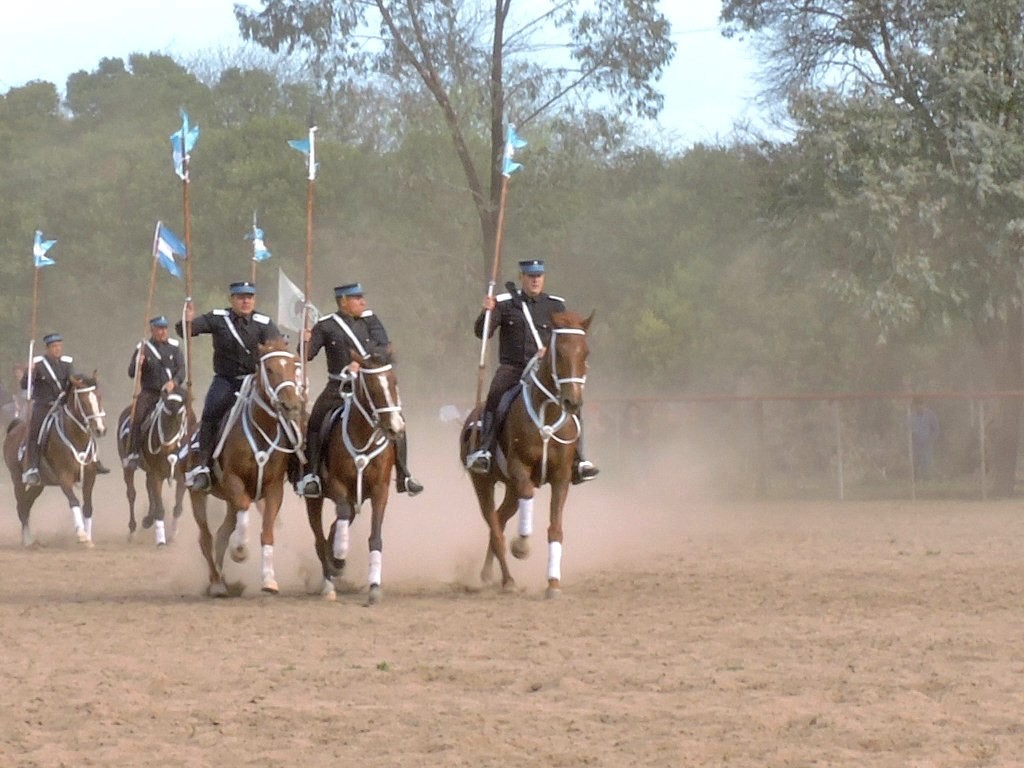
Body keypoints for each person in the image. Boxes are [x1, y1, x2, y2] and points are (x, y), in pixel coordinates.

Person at [465, 259, 599, 483]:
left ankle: (578, 459)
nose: (535, 280)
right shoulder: (505, 303)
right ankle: (486, 451)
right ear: (522, 278)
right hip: (513, 368)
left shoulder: (555, 305)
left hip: (545, 370)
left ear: (543, 278)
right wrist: (485, 312)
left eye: (538, 276)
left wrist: (549, 351)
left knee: (573, 402)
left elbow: (565, 340)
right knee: (496, 396)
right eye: (530, 276)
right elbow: (483, 332)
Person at [295, 282, 424, 498]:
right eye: (357, 298)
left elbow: (384, 347)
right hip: (340, 385)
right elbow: (306, 356)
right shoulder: (326, 325)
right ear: (343, 301)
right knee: (316, 420)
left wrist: (362, 362)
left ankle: (403, 474)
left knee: (397, 420)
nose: (363, 302)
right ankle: (313, 475)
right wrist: (304, 340)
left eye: (362, 297)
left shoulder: (370, 320)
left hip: (371, 384)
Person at [176, 281, 282, 492]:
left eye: (249, 297)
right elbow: (186, 331)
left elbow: (277, 347)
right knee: (210, 414)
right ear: (231, 299)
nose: (245, 301)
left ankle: (295, 469)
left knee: (284, 412)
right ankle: (204, 467)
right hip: (226, 380)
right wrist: (186, 322)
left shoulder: (263, 322)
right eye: (241, 297)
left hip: (254, 381)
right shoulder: (218, 318)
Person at [19, 333, 111, 484]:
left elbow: (74, 379)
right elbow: (25, 385)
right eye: (54, 347)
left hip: (62, 405)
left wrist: (90, 380)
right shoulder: (38, 364)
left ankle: (94, 460)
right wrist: (28, 373)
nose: (57, 349)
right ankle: (32, 468)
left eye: (59, 346)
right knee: (35, 433)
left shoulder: (66, 363)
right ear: (47, 348)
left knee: (85, 425)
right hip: (43, 406)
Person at [124, 315, 185, 470]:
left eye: (164, 328)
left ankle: (188, 449)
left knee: (188, 413)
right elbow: (131, 373)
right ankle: (134, 453)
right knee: (137, 417)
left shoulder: (174, 348)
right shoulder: (143, 348)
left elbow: (182, 370)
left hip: (171, 392)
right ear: (152, 330)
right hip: (150, 393)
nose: (162, 332)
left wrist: (174, 382)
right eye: (159, 329)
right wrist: (138, 363)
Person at [910, 398, 940, 480]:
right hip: (915, 444)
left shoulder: (930, 415)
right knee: (915, 462)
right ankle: (915, 479)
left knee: (926, 462)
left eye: (921, 405)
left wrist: (931, 440)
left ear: (924, 404)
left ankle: (926, 479)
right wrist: (912, 436)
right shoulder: (912, 415)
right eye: (917, 406)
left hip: (927, 443)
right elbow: (908, 428)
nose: (919, 407)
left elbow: (936, 429)